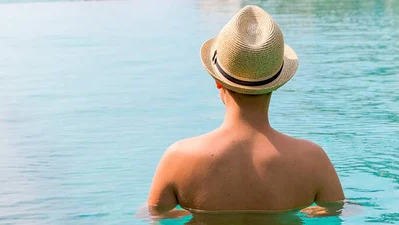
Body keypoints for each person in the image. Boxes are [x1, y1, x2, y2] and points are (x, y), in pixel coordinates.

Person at [147, 5, 344, 219]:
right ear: (277, 84)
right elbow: (336, 212)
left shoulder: (178, 158)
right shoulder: (312, 160)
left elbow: (155, 217)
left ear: (218, 82)